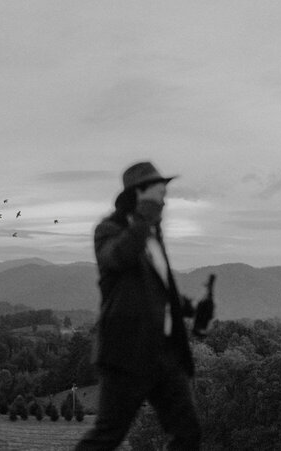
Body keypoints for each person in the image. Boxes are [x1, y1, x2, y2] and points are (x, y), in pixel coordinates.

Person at [75, 161, 201, 451]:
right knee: (108, 436)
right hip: (126, 352)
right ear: (139, 195)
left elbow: (157, 290)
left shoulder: (153, 234)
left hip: (164, 352)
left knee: (188, 433)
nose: (165, 199)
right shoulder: (109, 230)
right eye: (160, 193)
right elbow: (117, 258)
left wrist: (190, 307)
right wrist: (143, 220)